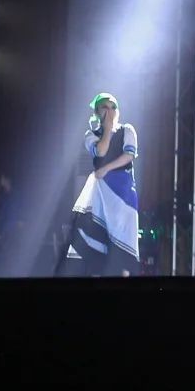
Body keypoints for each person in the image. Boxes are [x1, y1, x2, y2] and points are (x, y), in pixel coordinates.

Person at [56, 93, 140, 277]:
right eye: (105, 107)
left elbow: (129, 155)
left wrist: (106, 169)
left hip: (123, 195)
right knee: (97, 243)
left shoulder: (127, 130)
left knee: (122, 248)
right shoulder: (91, 135)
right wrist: (107, 130)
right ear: (96, 112)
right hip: (101, 195)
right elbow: (101, 151)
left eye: (113, 107)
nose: (110, 111)